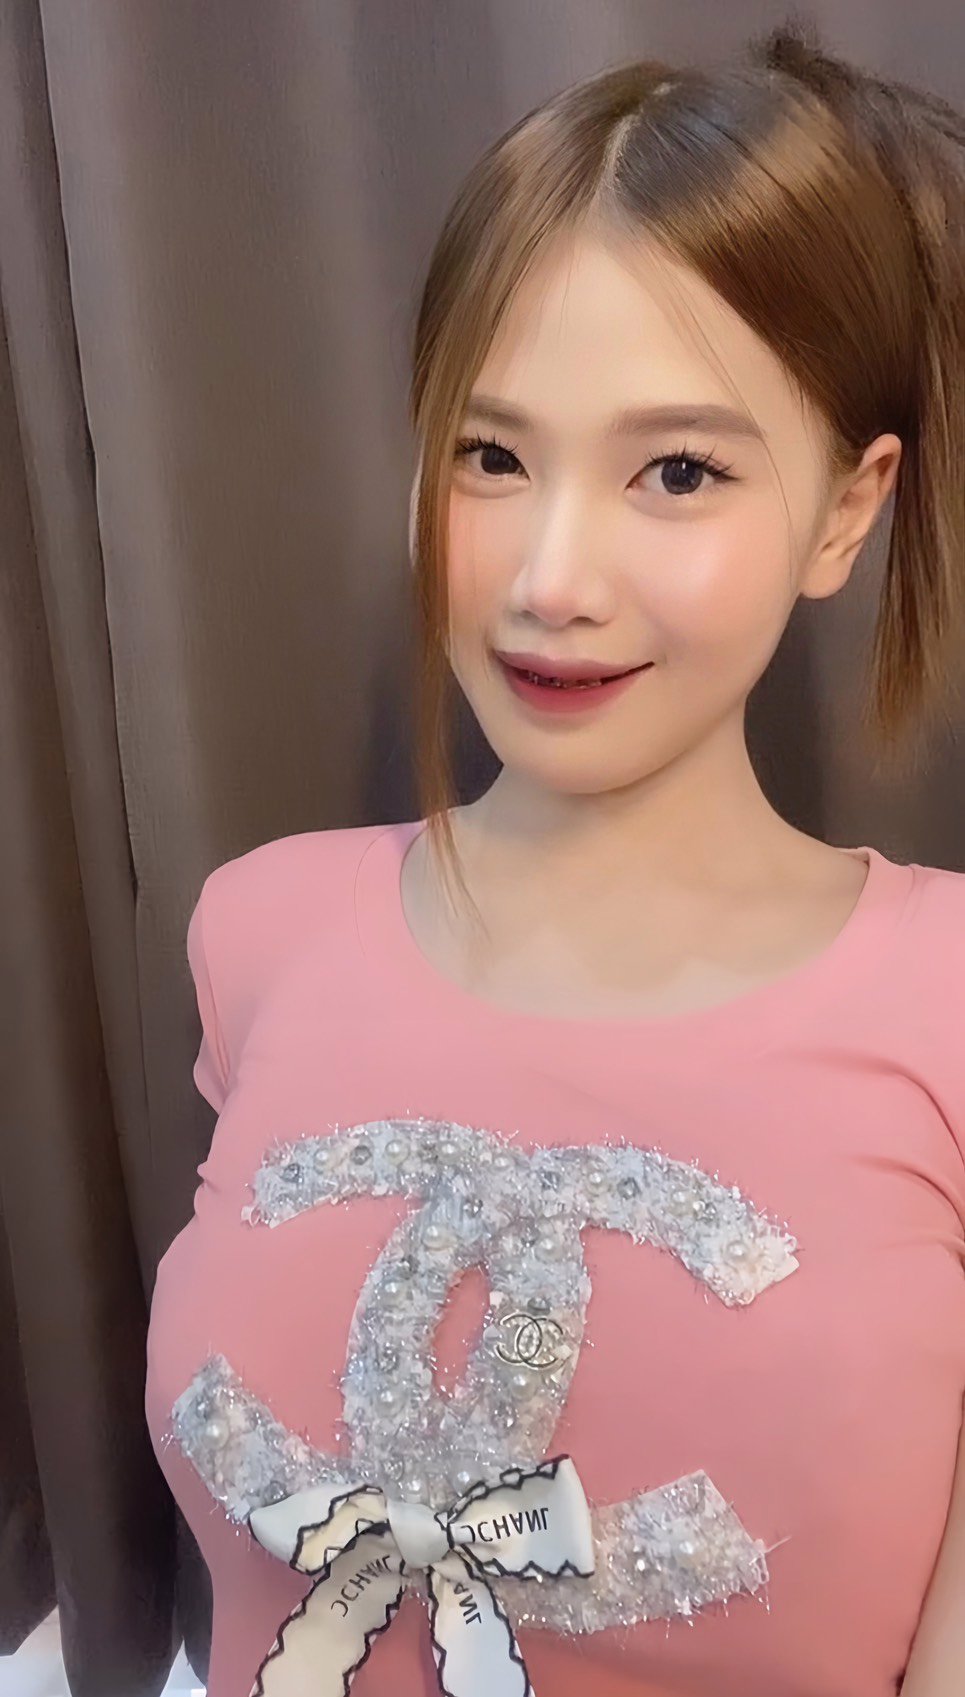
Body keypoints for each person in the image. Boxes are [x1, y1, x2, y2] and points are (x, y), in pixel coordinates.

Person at [146, 19, 965, 1697]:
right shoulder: (260, 929)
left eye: (677, 470)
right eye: (491, 456)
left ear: (843, 507)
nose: (549, 579)